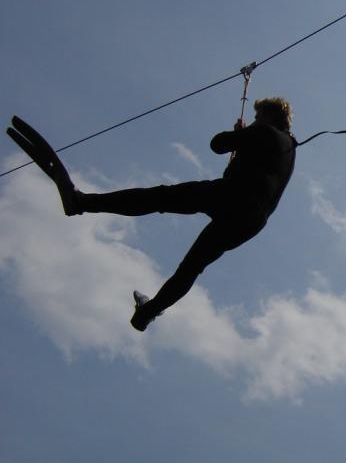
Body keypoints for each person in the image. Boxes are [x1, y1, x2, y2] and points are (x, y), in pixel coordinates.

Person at [6, 97, 296, 332]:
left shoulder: (263, 131)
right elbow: (251, 171)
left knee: (159, 197)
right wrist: (243, 143)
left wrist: (239, 135)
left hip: (232, 197)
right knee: (192, 267)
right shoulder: (289, 151)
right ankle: (148, 313)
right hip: (251, 221)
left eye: (260, 116)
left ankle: (81, 202)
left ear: (270, 117)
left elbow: (217, 144)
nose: (257, 120)